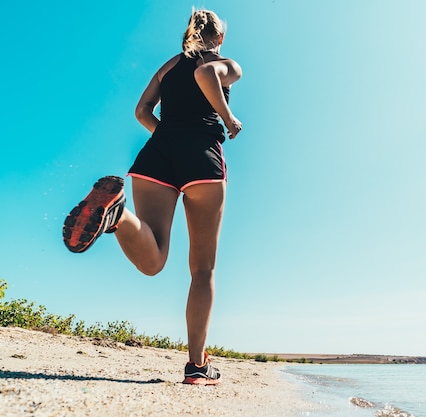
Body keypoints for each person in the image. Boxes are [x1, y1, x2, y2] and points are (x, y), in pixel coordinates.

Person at [62, 9, 242, 385]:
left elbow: (141, 111)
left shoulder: (168, 65)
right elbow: (206, 74)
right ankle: (196, 365)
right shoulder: (225, 63)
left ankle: (118, 215)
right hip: (202, 158)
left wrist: (168, 136)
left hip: (156, 154)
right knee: (203, 269)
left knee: (153, 259)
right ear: (220, 38)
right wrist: (228, 118)